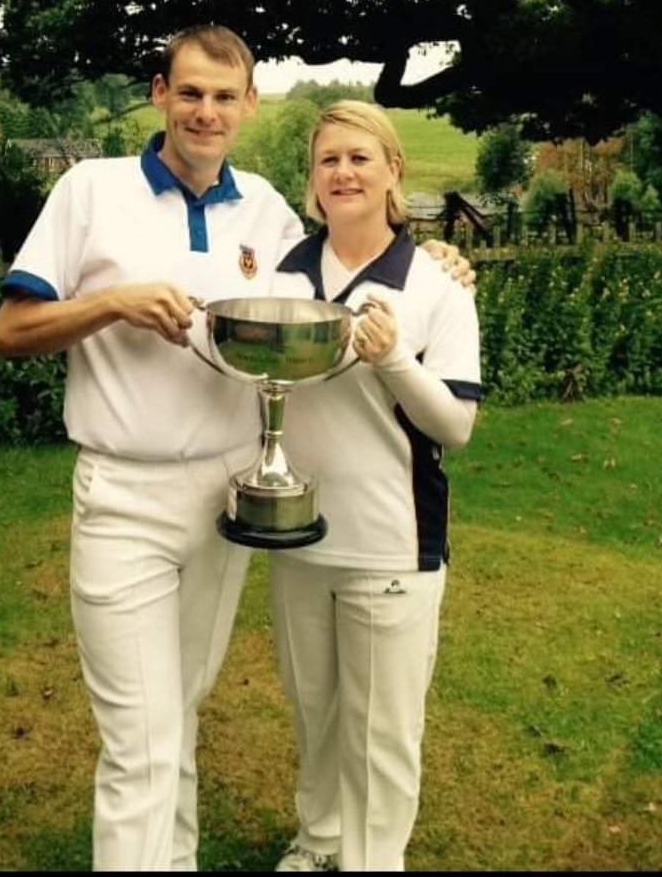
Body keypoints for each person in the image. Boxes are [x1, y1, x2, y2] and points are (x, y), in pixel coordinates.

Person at [0, 27, 472, 873]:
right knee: (140, 736)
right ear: (158, 94)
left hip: (229, 496)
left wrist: (434, 258)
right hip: (124, 491)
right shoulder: (89, 190)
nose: (205, 111)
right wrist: (111, 304)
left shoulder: (265, 211)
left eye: (223, 96)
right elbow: (12, 329)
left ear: (249, 105)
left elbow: (339, 258)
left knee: (175, 711)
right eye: (189, 92)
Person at [269, 101, 482, 873]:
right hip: (295, 532)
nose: (343, 172)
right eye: (328, 159)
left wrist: (395, 359)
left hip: (392, 542)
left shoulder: (436, 283)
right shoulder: (283, 271)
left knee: (381, 731)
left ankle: (371, 859)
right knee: (315, 713)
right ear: (312, 179)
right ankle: (317, 839)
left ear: (394, 169)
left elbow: (454, 426)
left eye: (360, 157)